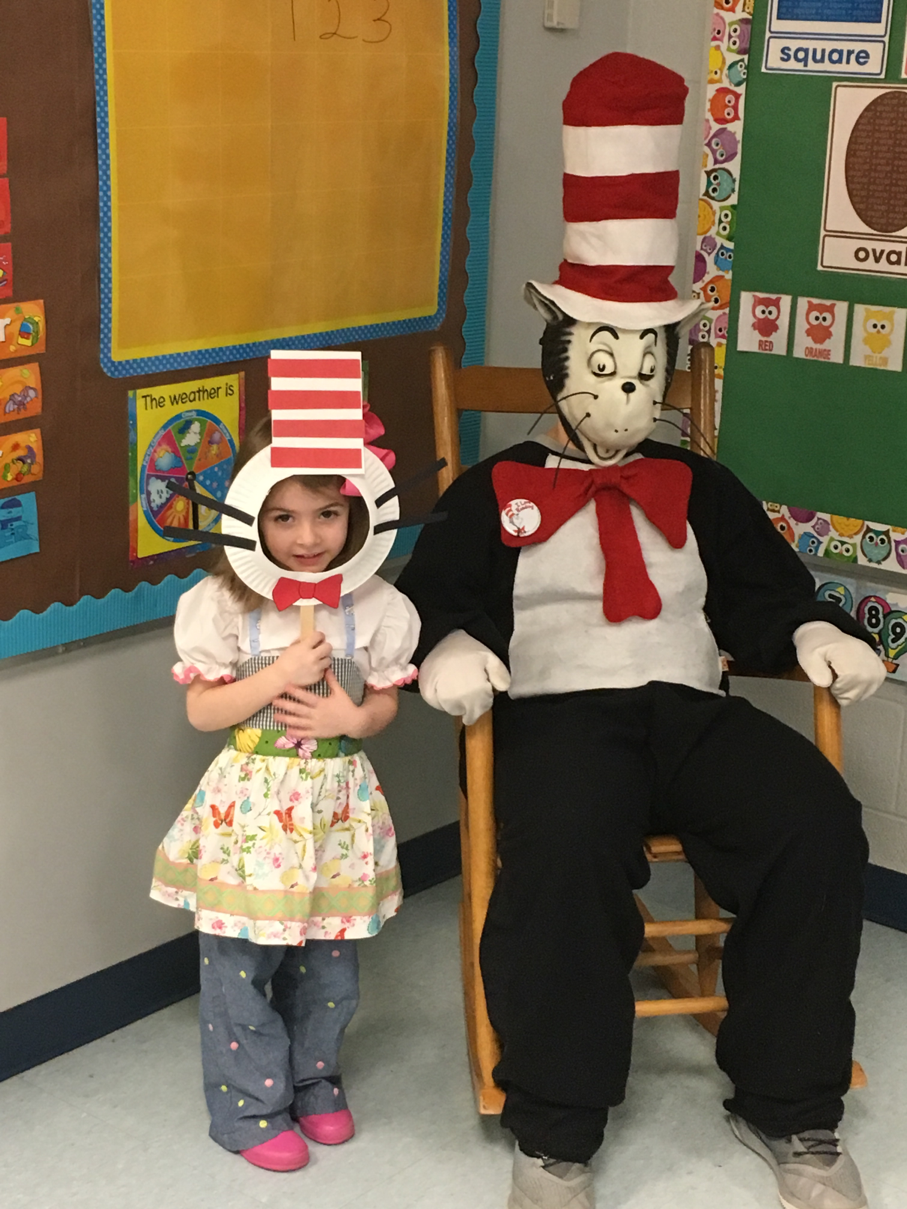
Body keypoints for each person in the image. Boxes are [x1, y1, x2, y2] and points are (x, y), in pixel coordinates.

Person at [397, 52, 883, 1209]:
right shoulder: (495, 487)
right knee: (565, 845)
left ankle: (790, 1105)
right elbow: (434, 598)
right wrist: (448, 648)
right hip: (554, 716)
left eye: (643, 365)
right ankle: (557, 1129)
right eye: (603, 362)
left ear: (663, 368)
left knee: (815, 821)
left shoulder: (698, 484)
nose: (625, 389)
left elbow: (761, 590)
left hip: (689, 711)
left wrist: (810, 632)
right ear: (562, 359)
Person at [151, 419, 419, 1172]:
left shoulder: (375, 605)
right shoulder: (225, 603)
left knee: (330, 964)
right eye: (283, 517)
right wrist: (276, 676)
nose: (307, 537)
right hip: (251, 817)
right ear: (251, 516)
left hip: (336, 813)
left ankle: (313, 1078)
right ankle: (247, 1105)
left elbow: (385, 702)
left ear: (355, 512)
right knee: (241, 967)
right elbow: (204, 711)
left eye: (327, 514)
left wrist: (355, 719)